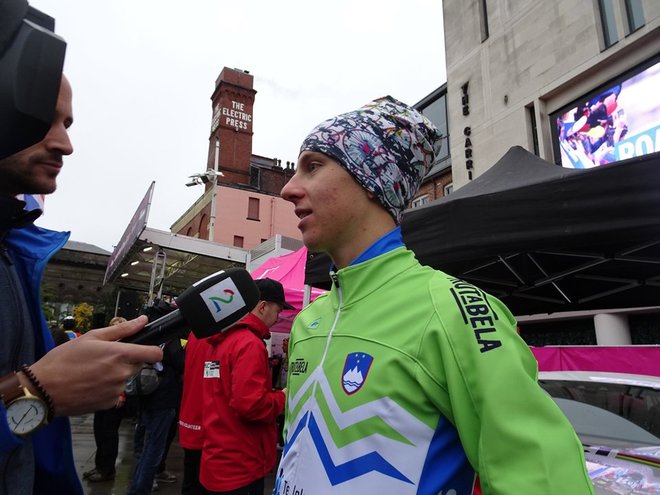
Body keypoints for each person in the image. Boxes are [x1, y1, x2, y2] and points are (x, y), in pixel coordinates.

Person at [275, 96, 595, 494]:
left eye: (314, 166)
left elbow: (543, 480)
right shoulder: (309, 321)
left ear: (372, 182)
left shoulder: (452, 310)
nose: (289, 188)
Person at [0, 75, 163, 495]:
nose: (64, 144)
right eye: (40, 119)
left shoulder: (14, 250)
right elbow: (32, 390)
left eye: (67, 125)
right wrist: (37, 391)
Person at [200, 278, 291, 494]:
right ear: (262, 306)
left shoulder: (222, 339)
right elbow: (250, 406)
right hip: (240, 463)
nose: (278, 318)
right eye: (277, 311)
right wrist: (283, 396)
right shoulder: (249, 343)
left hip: (217, 457)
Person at [128, 300, 185, 495]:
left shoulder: (148, 334)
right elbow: (181, 363)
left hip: (145, 396)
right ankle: (141, 488)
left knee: (144, 445)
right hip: (164, 398)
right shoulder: (170, 338)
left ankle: (137, 485)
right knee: (154, 448)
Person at [82, 316, 129, 483]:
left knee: (108, 434)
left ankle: (107, 470)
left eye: (118, 327)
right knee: (100, 432)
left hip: (115, 397)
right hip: (102, 396)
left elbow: (126, 375)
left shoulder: (126, 349)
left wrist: (122, 394)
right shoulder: (107, 347)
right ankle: (100, 466)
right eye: (112, 326)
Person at [178, 331, 212, 495]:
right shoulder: (216, 336)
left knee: (191, 480)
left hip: (190, 417)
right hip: (205, 422)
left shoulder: (195, 333)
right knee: (200, 483)